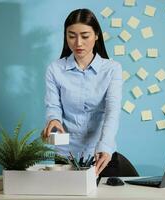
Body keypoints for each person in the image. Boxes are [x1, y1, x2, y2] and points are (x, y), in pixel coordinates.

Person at [42, 8, 122, 175]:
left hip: (101, 154)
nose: (78, 43)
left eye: (85, 36)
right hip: (66, 156)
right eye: (72, 36)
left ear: (97, 35)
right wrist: (53, 119)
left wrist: (105, 146)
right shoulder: (55, 69)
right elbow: (53, 105)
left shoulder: (112, 69)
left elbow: (112, 111)